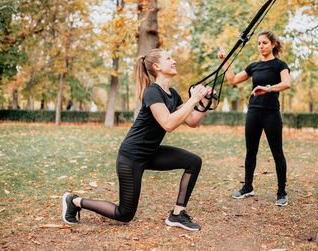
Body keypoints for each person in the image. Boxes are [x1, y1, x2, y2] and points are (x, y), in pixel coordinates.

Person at [62, 48, 212, 231]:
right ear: (157, 66)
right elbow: (168, 124)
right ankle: (74, 201)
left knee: (193, 162)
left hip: (151, 153)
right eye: (169, 58)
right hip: (131, 157)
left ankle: (177, 214)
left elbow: (192, 121)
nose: (174, 61)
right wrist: (194, 99)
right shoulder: (152, 92)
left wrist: (204, 102)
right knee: (125, 214)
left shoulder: (173, 93)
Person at [218, 30, 291, 206]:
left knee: (277, 153)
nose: (261, 46)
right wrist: (225, 61)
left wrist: (267, 88)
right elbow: (233, 80)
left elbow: (287, 84)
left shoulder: (280, 65)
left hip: (271, 113)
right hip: (254, 113)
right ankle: (248, 187)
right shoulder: (254, 66)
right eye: (259, 43)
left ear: (273, 44)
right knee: (251, 151)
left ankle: (281, 192)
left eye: (265, 43)